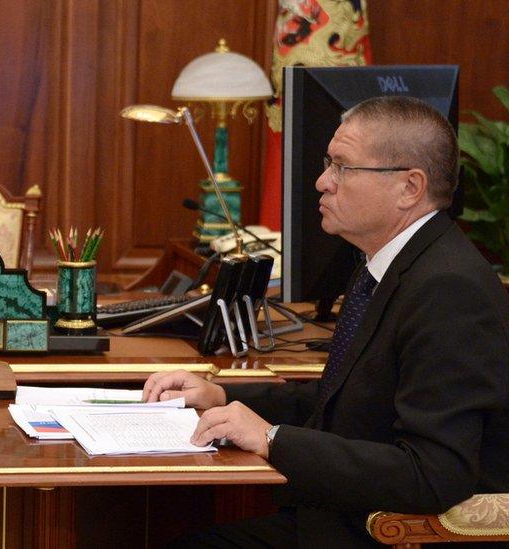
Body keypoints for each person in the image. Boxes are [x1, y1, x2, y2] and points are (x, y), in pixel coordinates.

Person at [144, 96, 509, 547]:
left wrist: (273, 439)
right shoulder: (389, 265)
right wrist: (220, 394)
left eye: (342, 167)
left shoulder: (449, 289)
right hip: (342, 517)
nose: (322, 182)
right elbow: (347, 399)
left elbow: (434, 472)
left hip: (386, 533)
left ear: (410, 187)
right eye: (327, 164)